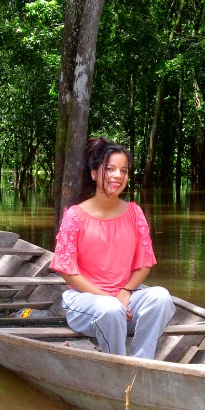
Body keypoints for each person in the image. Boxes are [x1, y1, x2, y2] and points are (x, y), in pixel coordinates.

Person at [51, 138, 175, 359]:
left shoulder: (135, 214)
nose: (118, 175)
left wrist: (125, 292)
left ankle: (141, 363)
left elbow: (144, 264)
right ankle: (117, 365)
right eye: (110, 169)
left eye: (123, 170)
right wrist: (109, 299)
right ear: (93, 173)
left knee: (161, 297)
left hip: (125, 299)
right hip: (86, 302)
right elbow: (67, 271)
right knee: (110, 309)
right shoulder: (75, 216)